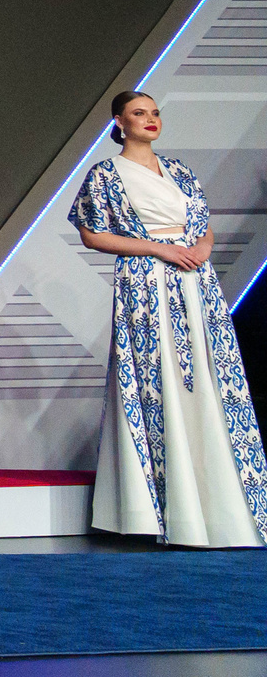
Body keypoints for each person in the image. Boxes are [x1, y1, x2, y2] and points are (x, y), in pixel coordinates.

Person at [70, 90, 266, 546]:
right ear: (119, 122)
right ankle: (156, 511)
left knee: (206, 377)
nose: (150, 120)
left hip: (195, 284)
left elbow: (202, 224)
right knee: (157, 381)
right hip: (145, 283)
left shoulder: (179, 171)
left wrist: (201, 249)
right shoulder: (105, 174)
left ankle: (217, 507)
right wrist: (159, 249)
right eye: (139, 113)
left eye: (155, 113)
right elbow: (92, 234)